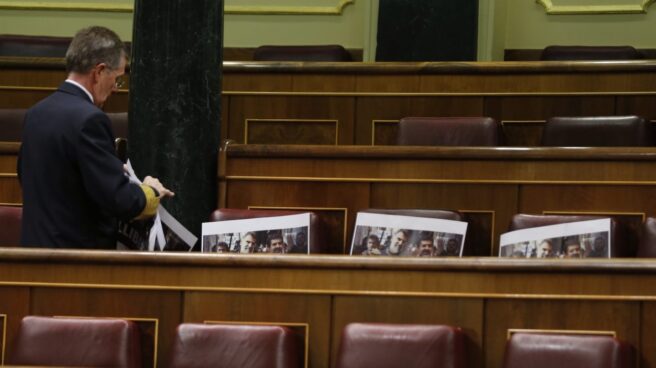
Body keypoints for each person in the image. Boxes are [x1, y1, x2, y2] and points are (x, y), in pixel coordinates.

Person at [18, 26, 173, 249]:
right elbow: (118, 199)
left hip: (33, 258)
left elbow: (29, 176)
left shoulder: (36, 113)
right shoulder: (90, 119)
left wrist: (104, 170)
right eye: (117, 78)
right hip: (76, 264)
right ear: (99, 71)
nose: (116, 88)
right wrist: (151, 191)